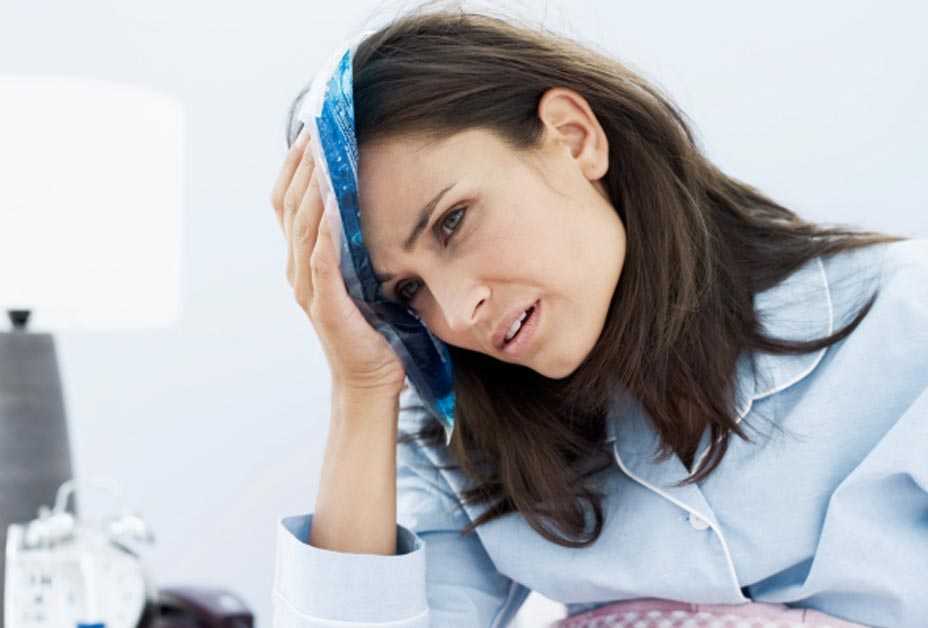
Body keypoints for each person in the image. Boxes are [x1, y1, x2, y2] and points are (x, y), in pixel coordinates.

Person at [267, 7, 927, 628]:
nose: (459, 312)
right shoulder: (465, 456)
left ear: (574, 138)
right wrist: (359, 388)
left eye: (453, 222)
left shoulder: (904, 324)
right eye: (407, 291)